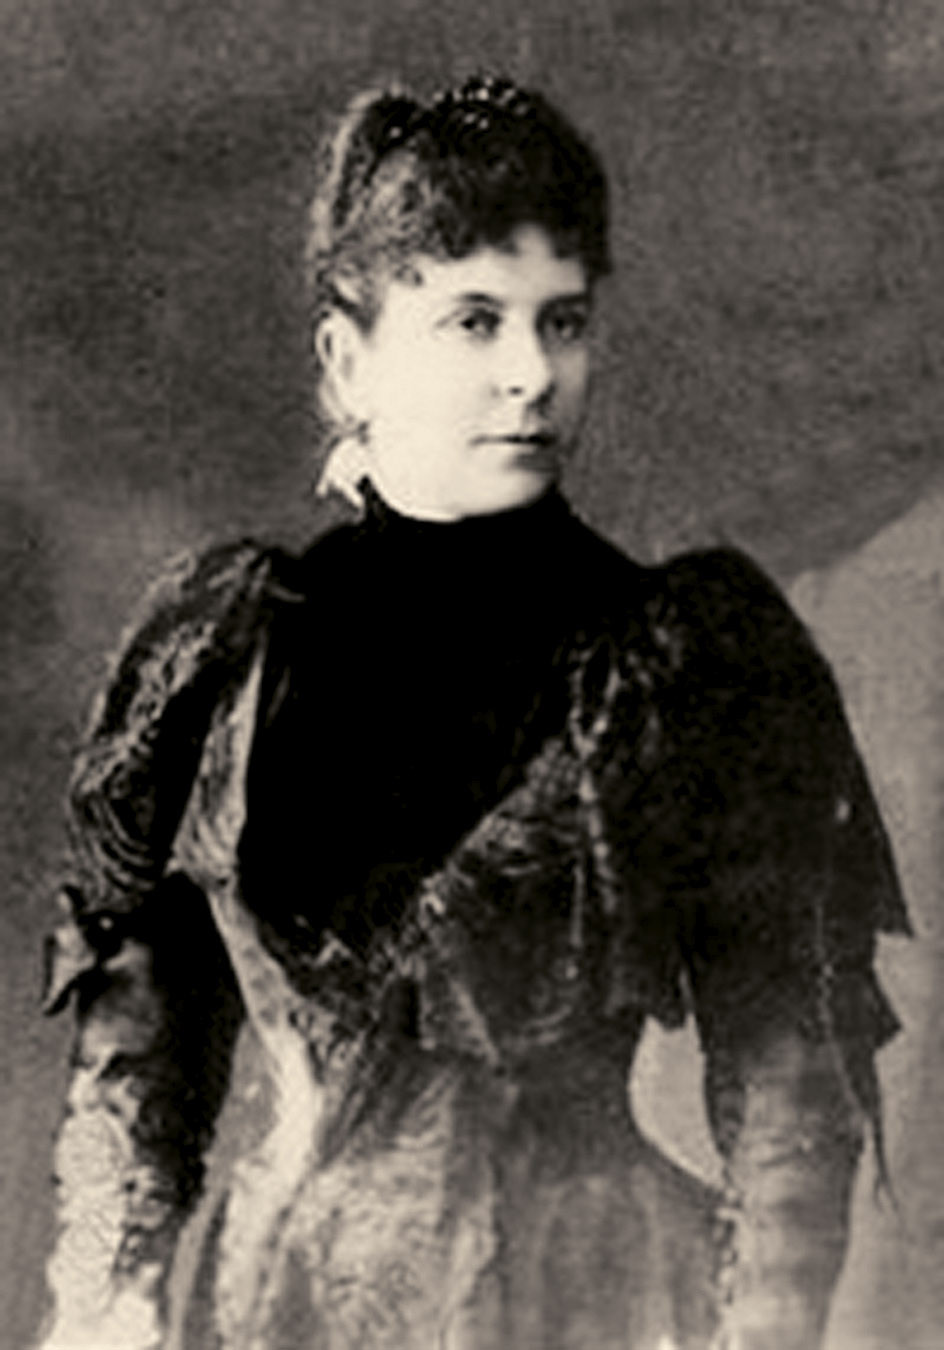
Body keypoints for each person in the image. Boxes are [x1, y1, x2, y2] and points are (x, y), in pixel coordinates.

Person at [37, 76, 908, 1350]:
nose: (531, 375)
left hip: (590, 1300)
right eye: (473, 322)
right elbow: (140, 1056)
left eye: (564, 322)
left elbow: (788, 1070)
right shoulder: (226, 657)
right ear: (348, 359)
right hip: (278, 1306)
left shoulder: (684, 663)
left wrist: (760, 1335)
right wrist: (105, 1312)